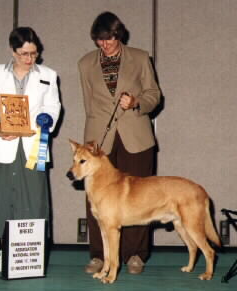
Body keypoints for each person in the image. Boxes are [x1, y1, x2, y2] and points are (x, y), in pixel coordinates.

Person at [78, 11, 161, 275]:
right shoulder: (85, 63)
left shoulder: (139, 57)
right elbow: (88, 103)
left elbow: (154, 95)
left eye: (109, 38)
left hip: (135, 136)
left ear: (118, 34)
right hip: (99, 140)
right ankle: (98, 256)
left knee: (138, 197)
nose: (105, 44)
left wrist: (137, 102)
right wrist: (90, 142)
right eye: (100, 40)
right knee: (96, 199)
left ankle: (135, 254)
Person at [0, 27, 61, 272]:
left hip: (34, 145)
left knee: (32, 201)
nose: (29, 59)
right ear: (12, 51)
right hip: (3, 145)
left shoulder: (48, 75)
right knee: (3, 199)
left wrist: (42, 122)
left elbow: (53, 106)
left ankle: (28, 255)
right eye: (24, 54)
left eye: (34, 54)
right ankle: (3, 251)